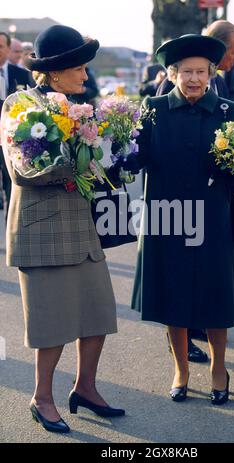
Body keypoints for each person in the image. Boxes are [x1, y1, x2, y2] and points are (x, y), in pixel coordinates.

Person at [121, 34, 234, 405]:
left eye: (201, 72)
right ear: (171, 74)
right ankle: (181, 369)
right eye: (186, 72)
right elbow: (136, 155)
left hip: (214, 217)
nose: (194, 79)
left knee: (217, 296)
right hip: (167, 218)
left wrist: (233, 168)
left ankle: (218, 367)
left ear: (212, 73)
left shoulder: (230, 112)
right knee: (173, 295)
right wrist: (117, 155)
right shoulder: (153, 109)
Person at [0, 25, 125, 434]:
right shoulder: (19, 104)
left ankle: (85, 388)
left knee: (97, 314)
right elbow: (24, 171)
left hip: (80, 226)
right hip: (41, 230)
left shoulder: (78, 106)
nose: (87, 77)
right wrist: (79, 164)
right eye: (81, 68)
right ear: (56, 71)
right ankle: (42, 398)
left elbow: (93, 161)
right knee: (52, 324)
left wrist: (115, 153)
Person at [0, 32, 33, 222]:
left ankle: (9, 229)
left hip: (10, 140)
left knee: (10, 185)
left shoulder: (21, 74)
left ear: (8, 48)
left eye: (0, 46)